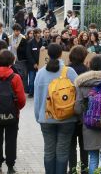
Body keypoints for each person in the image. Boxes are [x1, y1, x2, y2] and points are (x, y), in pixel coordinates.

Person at [34, 44, 79, 174]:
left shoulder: (40, 73)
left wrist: (39, 117)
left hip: (46, 118)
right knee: (62, 151)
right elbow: (78, 93)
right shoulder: (69, 72)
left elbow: (37, 99)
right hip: (67, 118)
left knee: (48, 151)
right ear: (61, 54)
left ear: (48, 54)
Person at [0, 50, 26, 173]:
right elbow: (22, 99)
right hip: (12, 114)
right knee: (11, 140)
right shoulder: (15, 77)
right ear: (11, 62)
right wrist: (16, 107)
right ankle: (10, 166)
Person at [66, 45, 89, 174]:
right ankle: (85, 169)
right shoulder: (86, 71)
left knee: (71, 144)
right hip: (83, 113)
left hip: (69, 110)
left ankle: (73, 169)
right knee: (84, 144)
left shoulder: (66, 70)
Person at [10, 24, 29, 92]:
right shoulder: (9, 38)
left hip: (20, 59)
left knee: (23, 74)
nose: (18, 32)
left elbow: (25, 49)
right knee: (13, 75)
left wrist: (18, 48)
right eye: (16, 31)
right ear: (13, 30)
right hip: (11, 59)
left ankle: (23, 89)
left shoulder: (23, 38)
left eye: (19, 31)